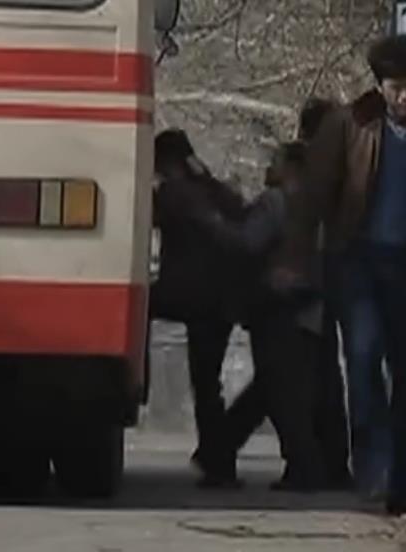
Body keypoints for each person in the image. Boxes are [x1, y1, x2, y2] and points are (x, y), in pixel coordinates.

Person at [302, 35, 406, 513]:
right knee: (363, 357)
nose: (405, 97)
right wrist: (299, 258)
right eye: (395, 87)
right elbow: (314, 194)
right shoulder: (349, 124)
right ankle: (374, 469)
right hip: (355, 260)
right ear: (379, 86)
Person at [209, 141, 327, 491]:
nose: (268, 168)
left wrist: (215, 224)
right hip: (309, 307)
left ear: (292, 168)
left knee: (278, 390)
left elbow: (248, 242)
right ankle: (225, 451)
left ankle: (297, 463)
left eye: (276, 161)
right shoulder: (320, 206)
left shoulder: (275, 202)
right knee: (279, 388)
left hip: (276, 305)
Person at [150, 128, 247, 488]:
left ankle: (218, 460)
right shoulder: (216, 190)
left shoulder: (174, 193)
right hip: (220, 300)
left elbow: (148, 215)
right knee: (208, 383)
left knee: (204, 383)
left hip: (191, 296)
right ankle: (218, 459)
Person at [298, 97, 353, 488]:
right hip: (327, 282)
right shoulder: (339, 168)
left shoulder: (311, 172)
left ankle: (325, 461)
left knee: (314, 375)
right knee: (323, 373)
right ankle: (331, 460)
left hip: (310, 286)